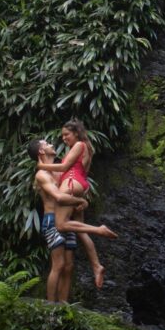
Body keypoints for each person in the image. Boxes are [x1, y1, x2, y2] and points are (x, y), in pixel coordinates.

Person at [28, 138, 116, 302]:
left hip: (65, 219)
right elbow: (59, 197)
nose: (52, 145)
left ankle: (63, 305)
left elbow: (73, 185)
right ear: (41, 151)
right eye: (47, 144)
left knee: (69, 267)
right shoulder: (41, 175)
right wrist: (80, 201)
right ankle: (50, 307)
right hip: (51, 221)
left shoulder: (60, 169)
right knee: (58, 265)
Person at [35, 120, 105, 289]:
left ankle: (98, 230)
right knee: (80, 229)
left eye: (67, 134)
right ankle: (96, 266)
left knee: (61, 224)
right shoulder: (87, 147)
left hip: (72, 183)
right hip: (80, 184)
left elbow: (65, 166)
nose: (64, 138)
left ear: (76, 132)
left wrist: (41, 165)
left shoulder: (79, 144)